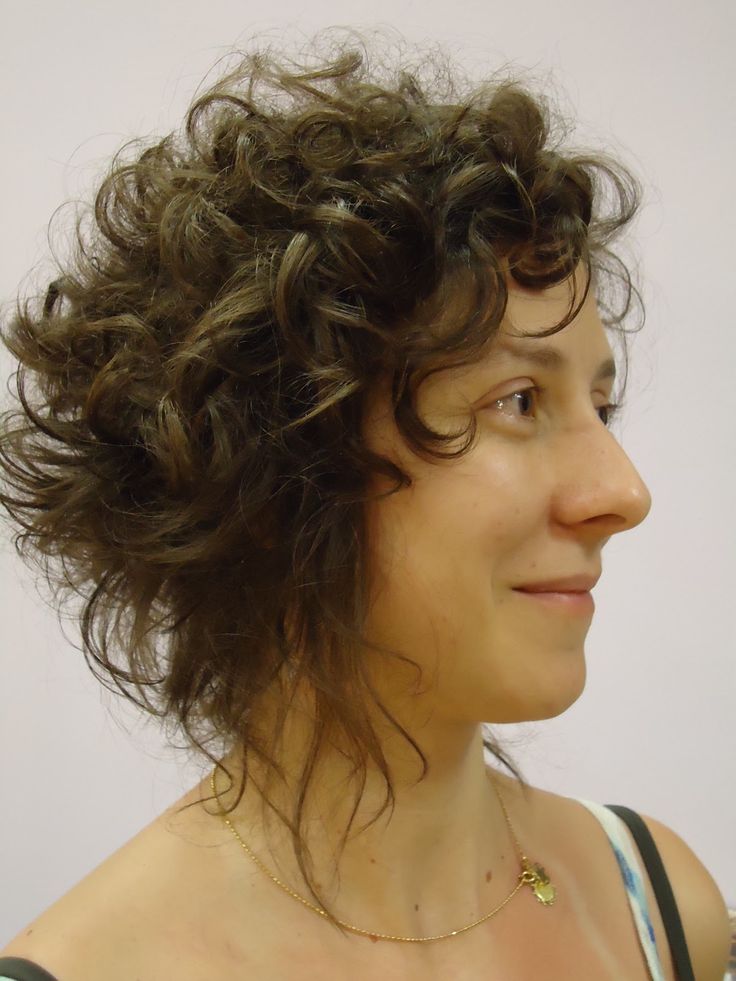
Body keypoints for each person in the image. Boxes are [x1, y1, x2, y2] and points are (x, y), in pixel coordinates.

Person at [0, 29, 731, 981]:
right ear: (277, 466)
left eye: (601, 404)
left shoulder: (662, 913)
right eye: (518, 400)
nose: (623, 493)